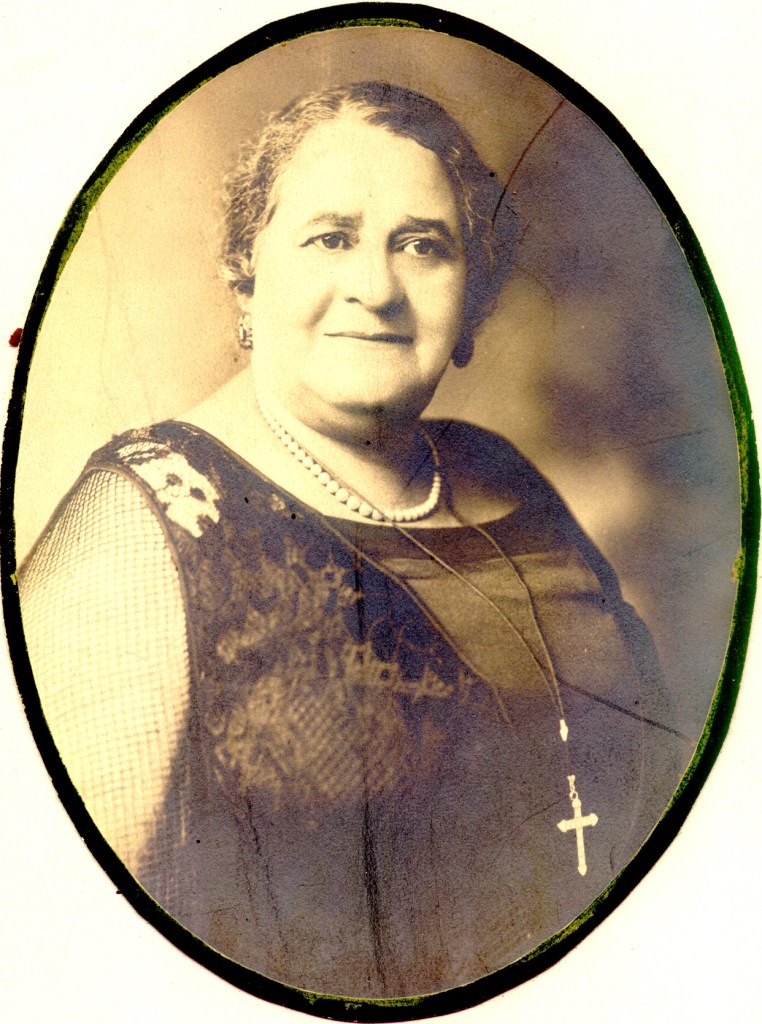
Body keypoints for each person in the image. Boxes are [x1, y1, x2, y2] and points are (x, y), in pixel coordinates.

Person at [18, 81, 686, 999]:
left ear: (472, 295)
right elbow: (60, 932)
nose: (376, 288)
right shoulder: (146, 517)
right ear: (247, 272)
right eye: (331, 238)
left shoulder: (504, 477)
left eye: (423, 245)